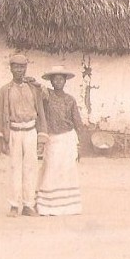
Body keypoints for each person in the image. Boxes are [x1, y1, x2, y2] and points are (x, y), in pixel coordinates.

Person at [0, 54, 47, 217]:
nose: (19, 70)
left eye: (22, 67)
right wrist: (1, 137)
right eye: (16, 67)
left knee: (30, 168)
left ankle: (28, 205)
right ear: (10, 69)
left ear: (26, 68)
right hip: (14, 132)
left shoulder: (34, 88)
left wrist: (42, 136)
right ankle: (13, 205)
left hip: (30, 131)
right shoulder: (4, 91)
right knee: (15, 168)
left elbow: (41, 111)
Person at [36, 65, 84, 216]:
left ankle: (69, 206)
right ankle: (47, 206)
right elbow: (37, 89)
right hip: (52, 139)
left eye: (61, 79)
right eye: (55, 79)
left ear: (65, 81)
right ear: (51, 81)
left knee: (67, 170)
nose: (58, 81)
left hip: (68, 139)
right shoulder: (46, 97)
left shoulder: (70, 100)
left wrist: (80, 144)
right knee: (51, 168)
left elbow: (77, 122)